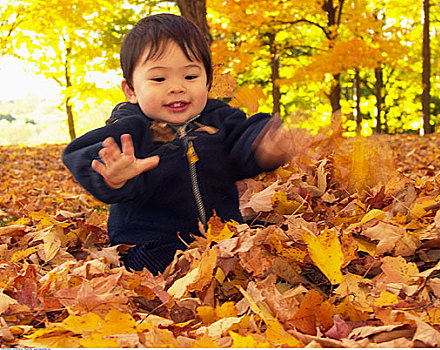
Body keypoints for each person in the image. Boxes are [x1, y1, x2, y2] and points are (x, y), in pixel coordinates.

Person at [62, 13, 290, 274]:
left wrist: (263, 145)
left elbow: (243, 140)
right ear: (131, 91)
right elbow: (81, 153)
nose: (176, 87)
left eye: (190, 77)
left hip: (223, 235)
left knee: (257, 254)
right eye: (159, 79)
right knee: (157, 268)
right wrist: (115, 177)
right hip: (151, 241)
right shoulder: (130, 127)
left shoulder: (220, 119)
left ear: (207, 81)